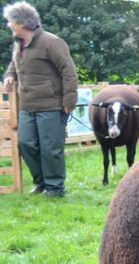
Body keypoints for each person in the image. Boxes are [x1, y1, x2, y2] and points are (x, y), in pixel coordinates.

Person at [3, 1, 78, 198]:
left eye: (10, 21)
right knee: (25, 144)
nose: (8, 25)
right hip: (27, 106)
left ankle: (55, 188)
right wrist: (10, 76)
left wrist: (69, 102)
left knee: (50, 148)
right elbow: (14, 64)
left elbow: (69, 72)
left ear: (22, 23)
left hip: (51, 106)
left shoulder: (52, 42)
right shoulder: (19, 45)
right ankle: (40, 182)